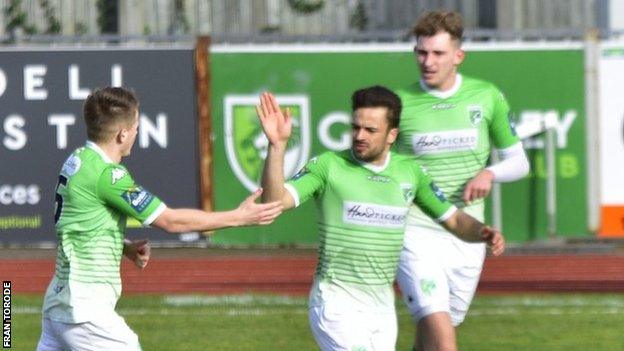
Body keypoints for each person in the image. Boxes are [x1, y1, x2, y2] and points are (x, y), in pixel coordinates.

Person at [256, 87, 504, 351]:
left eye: (370, 130)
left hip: (382, 310)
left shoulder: (410, 173)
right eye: (356, 127)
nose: (360, 136)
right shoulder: (328, 166)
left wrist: (482, 232)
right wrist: (277, 147)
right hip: (336, 304)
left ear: (392, 135)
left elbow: (453, 220)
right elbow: (273, 202)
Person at [36, 87, 283, 351]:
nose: (137, 133)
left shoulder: (77, 160)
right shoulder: (109, 176)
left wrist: (123, 247)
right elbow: (171, 221)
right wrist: (238, 217)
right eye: (136, 127)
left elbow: (79, 224)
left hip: (58, 306)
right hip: (85, 312)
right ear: (123, 134)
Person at [395, 10, 530, 351]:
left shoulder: (486, 97)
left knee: (434, 330)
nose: (428, 61)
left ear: (458, 55)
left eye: (438, 53)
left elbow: (519, 162)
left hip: (467, 232)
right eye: (421, 52)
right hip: (414, 230)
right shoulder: (398, 104)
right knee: (441, 331)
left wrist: (490, 173)